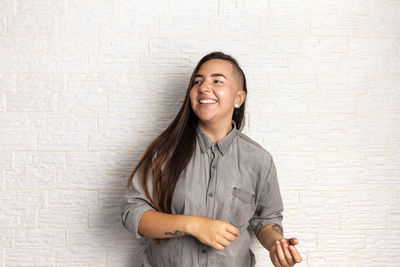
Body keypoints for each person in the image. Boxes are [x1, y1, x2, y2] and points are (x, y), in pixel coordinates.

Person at [121, 51, 302, 267]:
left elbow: (267, 218)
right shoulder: (164, 152)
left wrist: (276, 244)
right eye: (198, 81)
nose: (204, 87)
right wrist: (194, 225)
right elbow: (133, 213)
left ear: (239, 98)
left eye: (217, 80)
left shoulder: (259, 160)